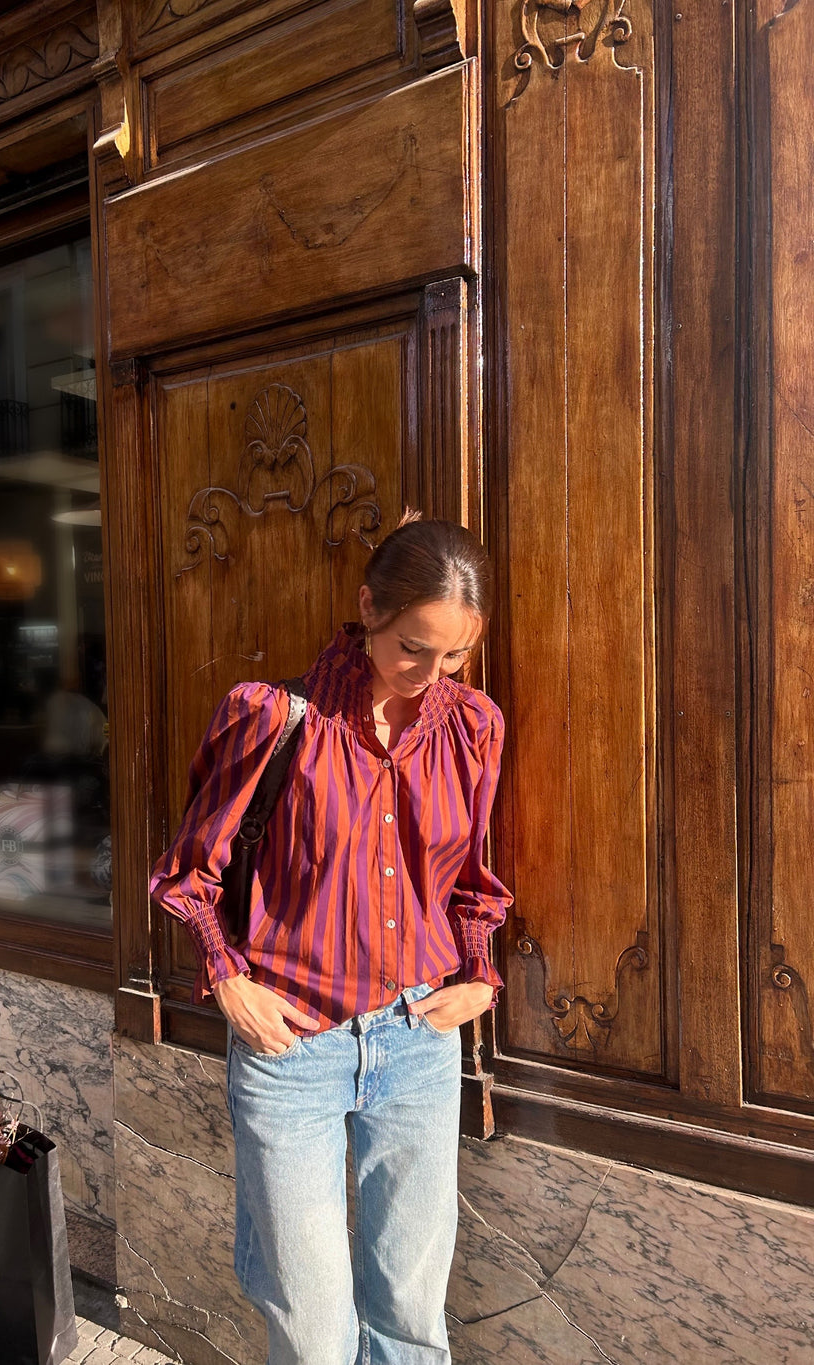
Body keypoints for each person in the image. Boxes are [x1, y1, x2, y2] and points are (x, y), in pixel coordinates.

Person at [150, 513, 513, 1365]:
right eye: (412, 648)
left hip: (418, 1036)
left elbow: (467, 871)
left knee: (411, 1316)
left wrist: (481, 974)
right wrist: (228, 977)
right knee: (313, 1329)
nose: (431, 675)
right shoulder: (274, 718)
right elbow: (187, 869)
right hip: (294, 1048)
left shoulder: (472, 726)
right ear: (368, 611)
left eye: (454, 655)